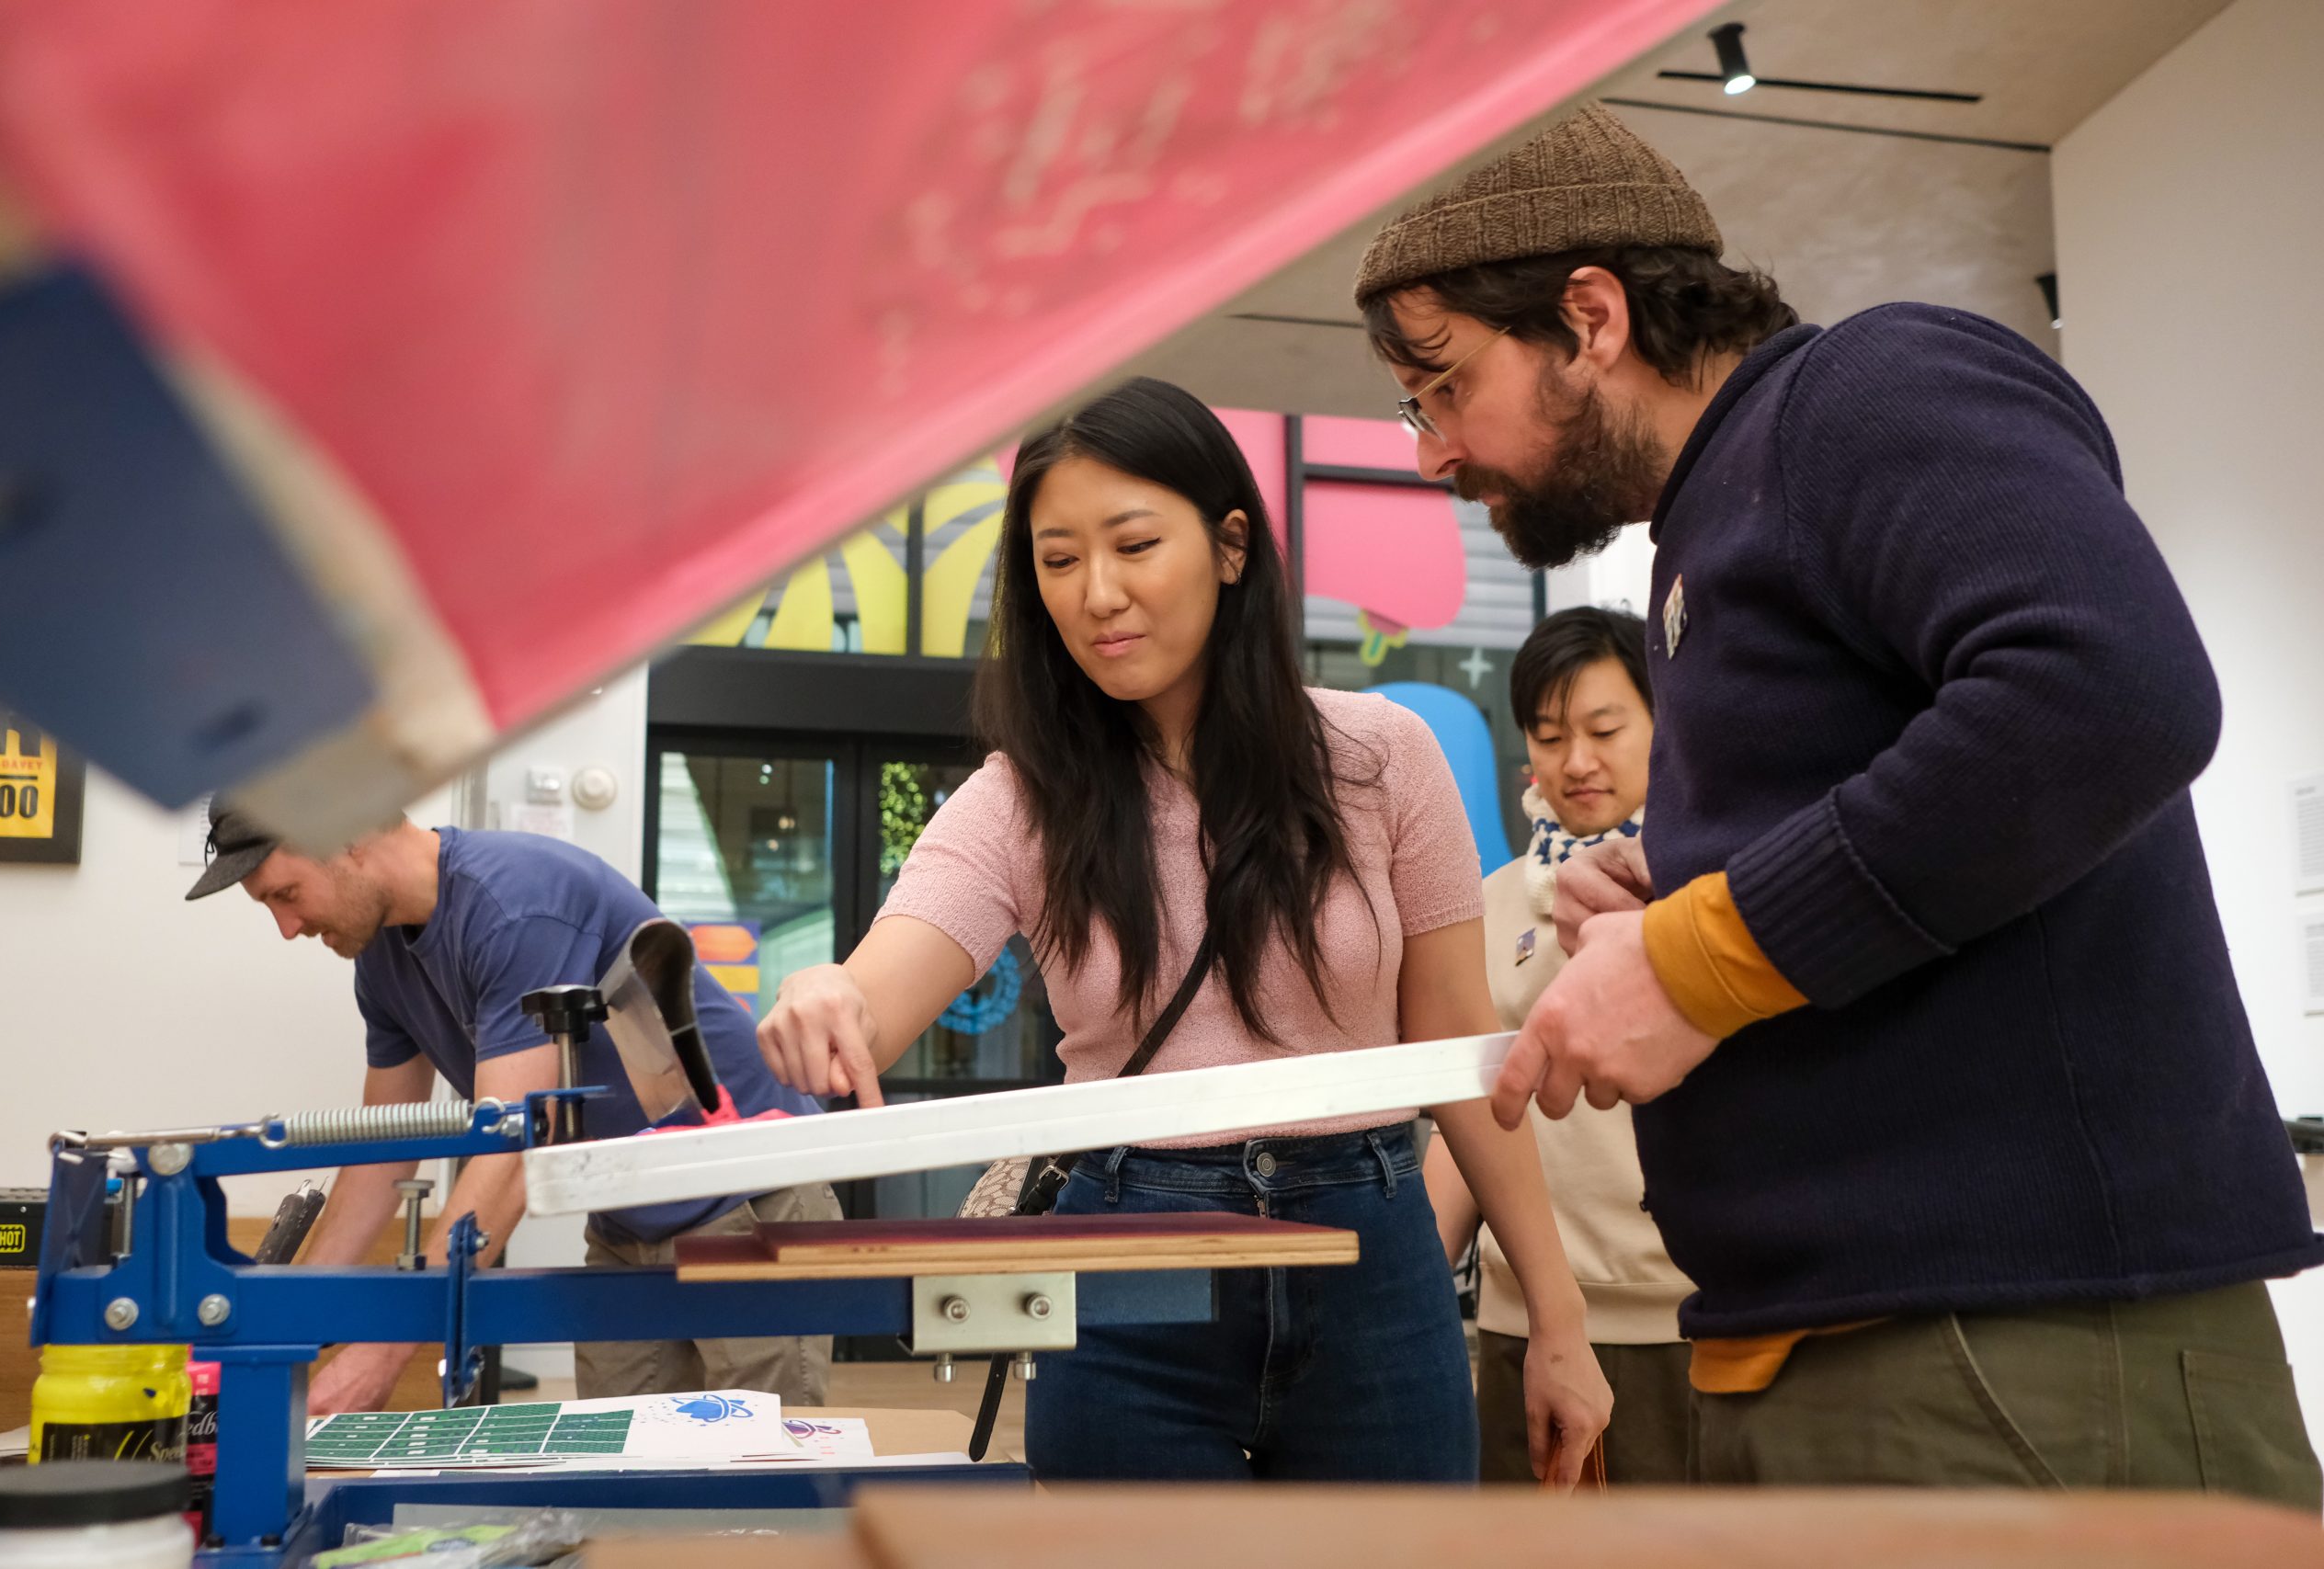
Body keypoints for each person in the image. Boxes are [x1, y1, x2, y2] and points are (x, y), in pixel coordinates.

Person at [1352, 102, 2323, 1505]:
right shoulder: (1715, 528)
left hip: (2006, 1348)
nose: (1433, 449)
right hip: (1862, 1351)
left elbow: (2108, 689)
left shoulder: (1862, 391)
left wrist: (1694, 958)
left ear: (1591, 315)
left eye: (1442, 385)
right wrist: (1691, 884)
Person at [755, 376, 1610, 1484]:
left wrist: (1556, 1316)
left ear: (1231, 546)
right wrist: (829, 997)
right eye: (1058, 562)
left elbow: (1456, 1045)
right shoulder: (1021, 799)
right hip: (1128, 1262)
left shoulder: (1382, 756)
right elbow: (877, 992)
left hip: (1370, 1256)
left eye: (1132, 544)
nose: (1096, 593)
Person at [187, 807, 839, 1414]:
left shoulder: (514, 903)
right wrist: (291, 1326)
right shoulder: (380, 961)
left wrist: (383, 1354)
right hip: (627, 1220)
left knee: (757, 1488)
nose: (287, 928)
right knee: (624, 1483)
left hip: (750, 1200)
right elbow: (381, 1155)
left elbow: (521, 1144)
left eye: (285, 894)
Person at [1424, 607, 1693, 1484]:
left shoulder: (1714, 899)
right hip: (1527, 1322)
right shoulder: (1490, 906)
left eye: (1606, 729)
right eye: (1549, 735)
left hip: (1689, 1320)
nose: (1577, 760)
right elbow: (1472, 1110)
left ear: (1665, 722)